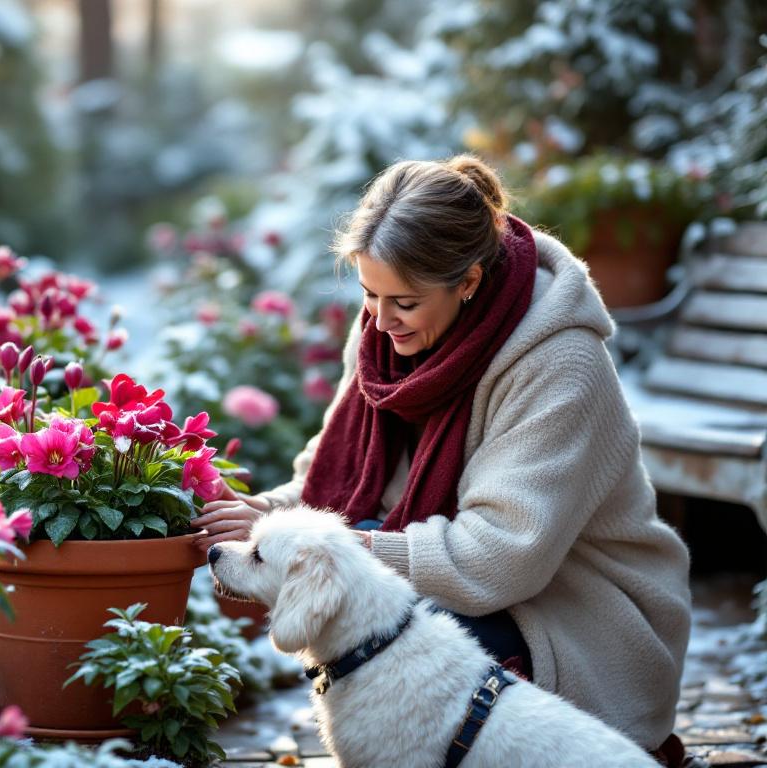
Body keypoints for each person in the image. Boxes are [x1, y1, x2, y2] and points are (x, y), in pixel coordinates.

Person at [193, 156, 692, 765]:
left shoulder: (560, 364)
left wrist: (341, 551)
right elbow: (329, 485)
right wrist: (260, 516)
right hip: (483, 587)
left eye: (401, 300)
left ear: (470, 281)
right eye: (369, 294)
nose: (379, 319)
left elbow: (499, 557)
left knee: (375, 629)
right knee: (371, 612)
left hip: (579, 620)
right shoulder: (387, 332)